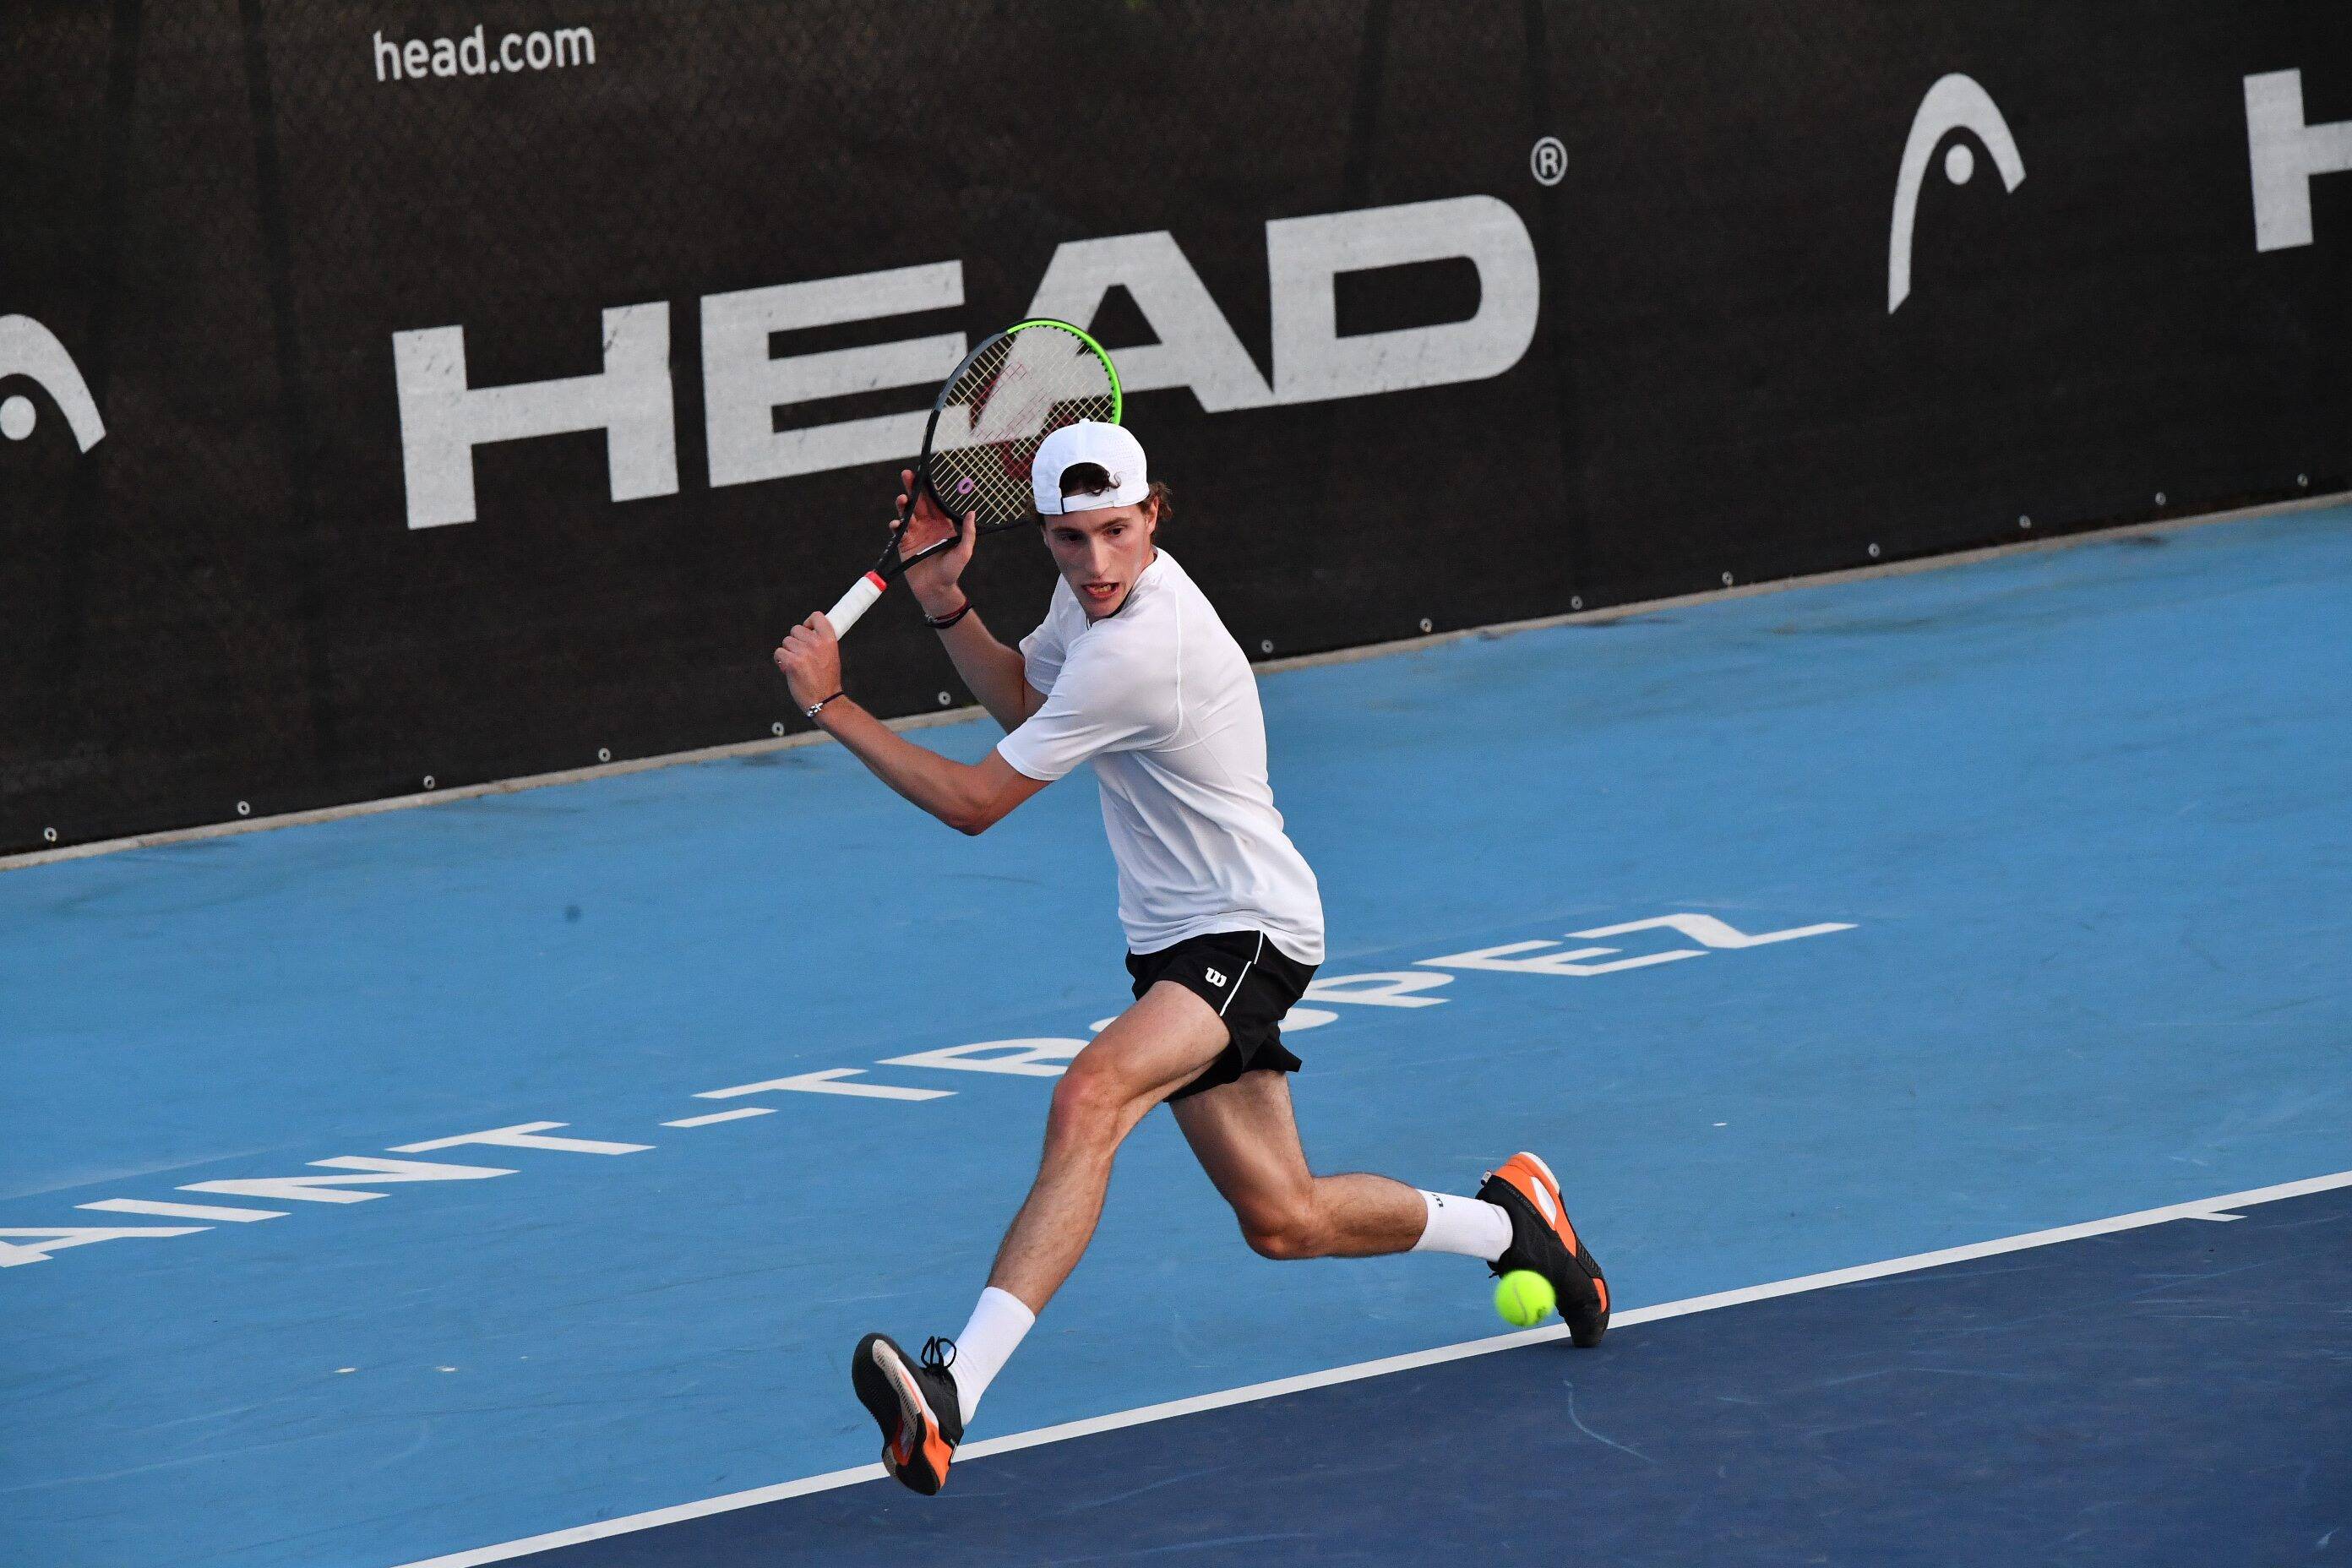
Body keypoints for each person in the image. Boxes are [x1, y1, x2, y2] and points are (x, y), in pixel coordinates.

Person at [771, 422, 1608, 1496]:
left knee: (1090, 1096)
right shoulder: (1090, 605)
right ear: (1047, 533)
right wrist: (943, 599)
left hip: (1246, 929)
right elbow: (1032, 704)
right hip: (1177, 943)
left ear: (1153, 514)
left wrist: (831, 703)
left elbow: (978, 801)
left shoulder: (1143, 643)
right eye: (1071, 538)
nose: (1097, 561)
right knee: (1284, 1218)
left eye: (1118, 531)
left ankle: (954, 1391)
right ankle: (1513, 1223)